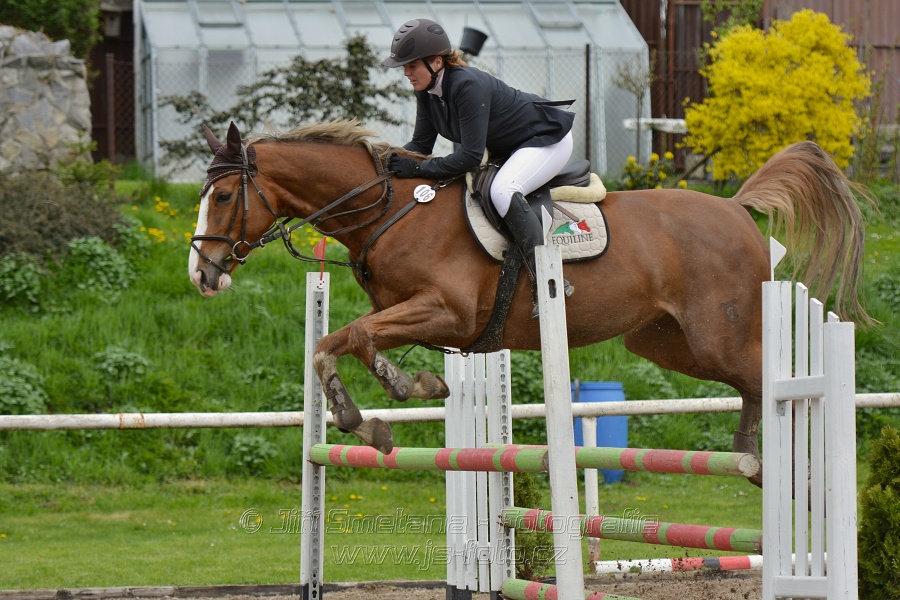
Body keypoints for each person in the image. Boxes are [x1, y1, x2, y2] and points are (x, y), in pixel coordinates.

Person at [383, 18, 575, 315]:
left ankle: (549, 281)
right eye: (404, 67)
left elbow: (471, 157)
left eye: (411, 66)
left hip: (546, 140)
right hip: (512, 147)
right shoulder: (426, 90)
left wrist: (418, 170)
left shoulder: (467, 85)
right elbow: (421, 144)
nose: (406, 73)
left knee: (502, 190)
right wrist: (384, 160)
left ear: (436, 62)